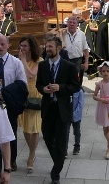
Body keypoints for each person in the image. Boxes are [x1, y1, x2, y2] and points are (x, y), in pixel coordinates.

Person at [36, 37, 81, 184]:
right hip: (48, 108)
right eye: (46, 46)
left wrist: (60, 88)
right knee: (48, 137)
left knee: (61, 143)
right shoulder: (42, 66)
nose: (47, 49)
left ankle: (55, 174)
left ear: (58, 49)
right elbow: (38, 85)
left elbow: (75, 87)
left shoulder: (69, 66)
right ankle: (58, 162)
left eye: (50, 47)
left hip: (62, 110)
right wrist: (44, 89)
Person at [0, 33, 27, 171]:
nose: (0, 47)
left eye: (3, 44)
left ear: (8, 45)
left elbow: (22, 84)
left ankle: (11, 159)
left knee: (10, 132)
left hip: (9, 103)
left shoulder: (16, 63)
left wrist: (8, 91)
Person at [17, 36, 42, 173]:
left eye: (25, 46)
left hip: (35, 95)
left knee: (35, 127)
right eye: (21, 46)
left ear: (31, 47)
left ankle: (31, 156)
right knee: (26, 128)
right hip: (23, 95)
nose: (22, 49)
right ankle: (32, 150)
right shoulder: (18, 61)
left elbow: (31, 74)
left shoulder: (39, 61)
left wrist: (23, 61)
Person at [62, 14, 90, 82]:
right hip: (65, 60)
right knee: (65, 79)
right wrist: (60, 33)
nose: (72, 24)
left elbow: (85, 49)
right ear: (67, 24)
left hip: (77, 60)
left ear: (77, 25)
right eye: (70, 22)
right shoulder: (62, 33)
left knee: (76, 79)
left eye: (74, 23)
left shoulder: (81, 34)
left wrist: (86, 62)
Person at [69, 87, 84, 156]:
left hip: (76, 116)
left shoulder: (79, 91)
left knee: (76, 131)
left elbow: (80, 105)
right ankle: (64, 148)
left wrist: (74, 114)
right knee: (65, 132)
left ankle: (77, 146)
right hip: (66, 114)